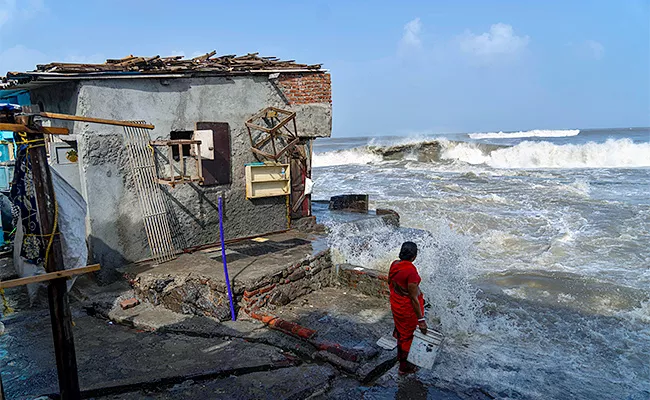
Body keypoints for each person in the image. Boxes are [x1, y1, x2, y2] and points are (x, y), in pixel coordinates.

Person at [389, 241, 427, 375]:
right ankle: (404, 368)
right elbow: (413, 298)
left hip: (396, 304)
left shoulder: (395, 264)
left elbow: (392, 283)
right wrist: (421, 320)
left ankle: (401, 359)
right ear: (414, 256)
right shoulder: (410, 271)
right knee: (407, 337)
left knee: (402, 333)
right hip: (407, 309)